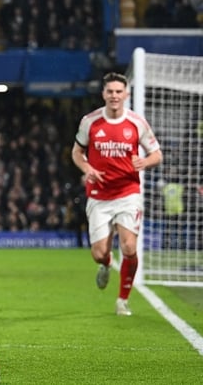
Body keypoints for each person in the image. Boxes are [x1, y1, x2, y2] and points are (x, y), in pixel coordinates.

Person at [71, 72, 162, 316]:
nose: (114, 95)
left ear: (126, 94)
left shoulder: (136, 122)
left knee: (129, 247)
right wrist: (87, 168)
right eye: (110, 91)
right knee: (99, 254)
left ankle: (123, 299)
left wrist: (144, 162)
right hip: (99, 196)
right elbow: (76, 153)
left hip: (127, 193)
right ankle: (107, 264)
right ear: (103, 94)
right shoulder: (90, 122)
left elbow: (157, 154)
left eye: (118, 91)